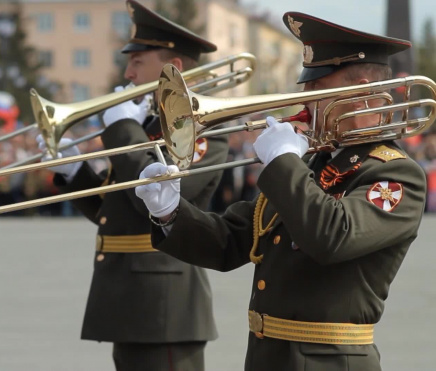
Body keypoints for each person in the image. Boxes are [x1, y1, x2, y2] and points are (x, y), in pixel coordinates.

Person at [134, 12, 427, 371]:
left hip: (330, 361)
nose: (303, 102)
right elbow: (232, 241)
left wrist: (283, 162)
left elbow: (332, 236)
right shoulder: (309, 166)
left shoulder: (395, 173)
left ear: (363, 95)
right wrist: (170, 212)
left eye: (318, 91)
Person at [36, 1, 228, 370]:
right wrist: (75, 174)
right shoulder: (146, 124)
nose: (128, 72)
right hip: (127, 296)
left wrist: (124, 131)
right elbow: (117, 213)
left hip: (165, 304)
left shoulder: (204, 128)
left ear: (175, 68)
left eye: (138, 62)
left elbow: (166, 203)